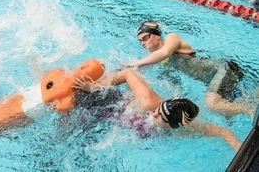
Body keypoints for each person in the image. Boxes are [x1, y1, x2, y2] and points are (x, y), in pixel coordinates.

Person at [74, 68, 242, 151]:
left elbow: (224, 132)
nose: (154, 113)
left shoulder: (188, 128)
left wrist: (239, 151)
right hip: (113, 104)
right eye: (159, 109)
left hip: (121, 125)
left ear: (174, 125)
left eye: (161, 116)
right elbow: (127, 73)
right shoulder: (150, 103)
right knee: (70, 101)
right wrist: (95, 86)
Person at [124, 20, 254, 120]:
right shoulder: (156, 59)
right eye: (140, 40)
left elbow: (165, 52)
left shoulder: (172, 38)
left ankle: (250, 110)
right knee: (227, 115)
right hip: (213, 81)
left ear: (157, 35)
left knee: (212, 104)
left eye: (145, 38)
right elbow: (137, 76)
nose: (142, 43)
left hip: (223, 69)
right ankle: (252, 103)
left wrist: (137, 63)